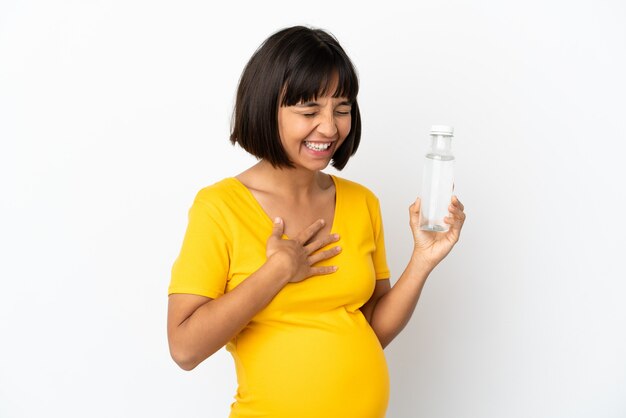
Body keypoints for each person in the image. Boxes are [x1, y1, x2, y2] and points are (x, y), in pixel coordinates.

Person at [167, 25, 466, 418]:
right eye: (309, 111)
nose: (329, 127)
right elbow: (184, 350)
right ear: (265, 108)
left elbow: (373, 328)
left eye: (341, 109)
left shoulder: (361, 202)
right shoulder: (219, 207)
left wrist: (423, 260)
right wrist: (277, 271)